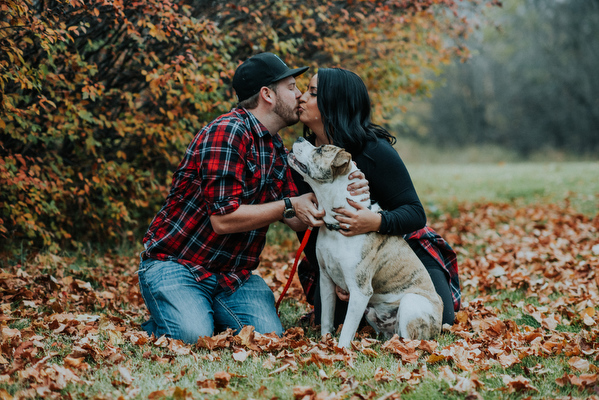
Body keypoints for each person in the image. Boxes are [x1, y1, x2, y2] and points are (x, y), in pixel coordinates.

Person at [138, 53, 367, 344]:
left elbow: (298, 220)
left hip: (233, 278)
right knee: (191, 336)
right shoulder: (227, 132)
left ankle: (203, 312)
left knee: (269, 337)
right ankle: (182, 315)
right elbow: (222, 220)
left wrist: (346, 185)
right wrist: (288, 205)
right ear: (267, 94)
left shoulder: (275, 147)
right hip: (177, 264)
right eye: (292, 87)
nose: (299, 95)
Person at [293, 68, 461, 329]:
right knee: (333, 321)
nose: (301, 98)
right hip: (341, 256)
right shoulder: (304, 158)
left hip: (400, 251)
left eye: (312, 93)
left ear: (334, 103)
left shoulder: (372, 150)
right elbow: (309, 227)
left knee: (441, 319)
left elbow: (415, 213)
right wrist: (336, 275)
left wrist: (374, 221)